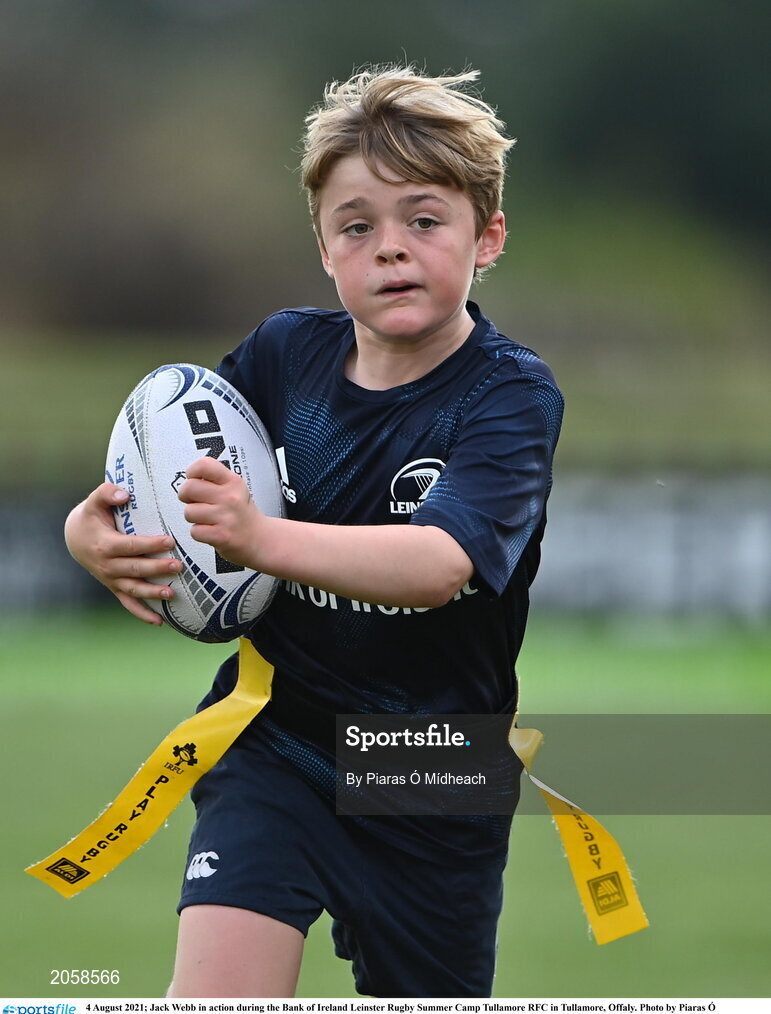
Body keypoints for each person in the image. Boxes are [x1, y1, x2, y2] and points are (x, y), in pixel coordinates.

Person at [64, 66, 564, 999]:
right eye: (357, 225)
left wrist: (259, 540)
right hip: (275, 742)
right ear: (324, 247)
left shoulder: (507, 394)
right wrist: (89, 535)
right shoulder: (282, 355)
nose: (389, 250)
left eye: (423, 219)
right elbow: (158, 479)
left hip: (432, 770)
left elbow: (437, 565)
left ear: (485, 235)